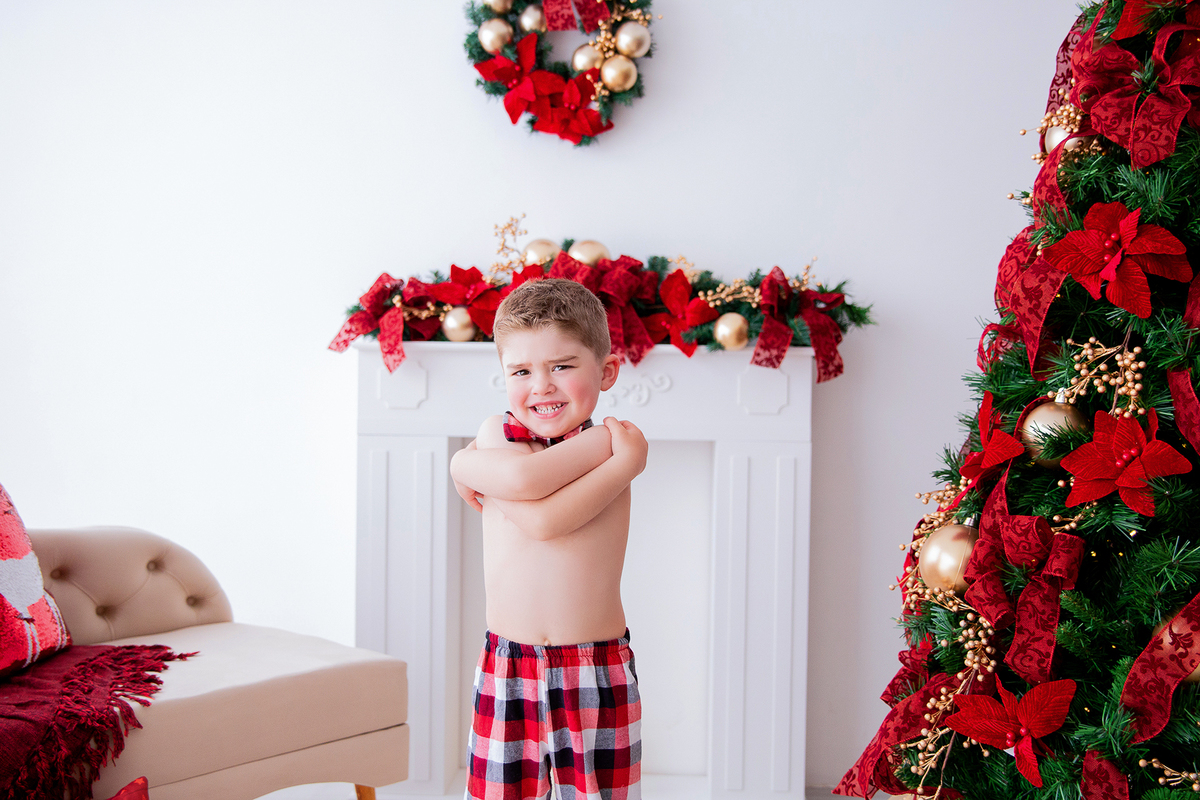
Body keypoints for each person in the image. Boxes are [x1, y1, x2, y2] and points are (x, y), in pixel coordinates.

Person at [450, 277, 648, 800]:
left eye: (561, 366)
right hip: (508, 665)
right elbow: (529, 497)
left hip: (595, 666)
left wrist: (469, 463)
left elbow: (542, 518)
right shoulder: (498, 436)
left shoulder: (607, 441)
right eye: (521, 371)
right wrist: (460, 460)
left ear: (605, 372)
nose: (541, 386)